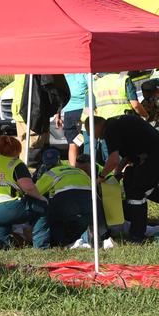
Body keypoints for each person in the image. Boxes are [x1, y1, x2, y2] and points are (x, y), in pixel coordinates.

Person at [88, 112, 159, 242]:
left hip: (153, 155)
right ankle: (137, 230)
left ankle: (137, 235)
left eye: (90, 132)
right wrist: (117, 173)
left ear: (96, 126)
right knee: (132, 179)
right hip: (149, 153)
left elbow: (113, 159)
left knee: (137, 190)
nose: (94, 137)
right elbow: (127, 155)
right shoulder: (116, 124)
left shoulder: (110, 129)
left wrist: (101, 177)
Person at [0, 127, 47, 249]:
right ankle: (41, 246)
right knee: (42, 208)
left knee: (3, 244)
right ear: (16, 151)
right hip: (6, 207)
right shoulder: (15, 164)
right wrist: (41, 198)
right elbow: (28, 187)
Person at [33, 149, 94, 248]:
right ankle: (86, 236)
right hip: (88, 201)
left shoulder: (51, 173)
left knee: (52, 217)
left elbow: (35, 191)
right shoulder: (76, 170)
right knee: (79, 225)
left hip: (66, 201)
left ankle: (58, 241)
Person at [58, 73, 89, 165]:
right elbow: (92, 90)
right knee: (86, 139)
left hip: (68, 112)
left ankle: (73, 167)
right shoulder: (84, 74)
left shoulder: (65, 76)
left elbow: (60, 96)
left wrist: (58, 114)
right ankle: (86, 166)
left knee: (72, 142)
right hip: (83, 111)